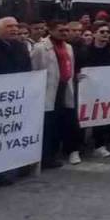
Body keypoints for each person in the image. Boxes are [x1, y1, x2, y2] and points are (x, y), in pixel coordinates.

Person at [32, 22, 82, 168]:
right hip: (48, 89)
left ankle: (53, 154)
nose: (64, 33)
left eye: (66, 30)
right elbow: (35, 69)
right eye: (61, 30)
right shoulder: (41, 47)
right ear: (51, 30)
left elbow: (70, 67)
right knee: (48, 124)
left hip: (64, 87)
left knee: (60, 122)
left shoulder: (69, 47)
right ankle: (46, 157)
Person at [81, 25, 110, 156]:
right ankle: (81, 144)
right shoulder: (85, 51)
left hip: (107, 89)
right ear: (95, 34)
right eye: (102, 32)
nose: (105, 34)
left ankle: (100, 145)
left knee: (102, 117)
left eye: (108, 32)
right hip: (88, 88)